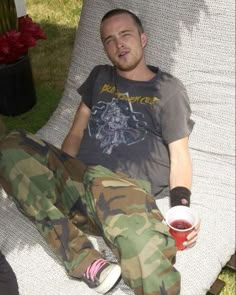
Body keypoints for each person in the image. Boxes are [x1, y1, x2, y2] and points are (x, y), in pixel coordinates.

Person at [0, 8, 200, 295]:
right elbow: (77, 130)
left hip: (124, 193)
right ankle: (87, 262)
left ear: (143, 39)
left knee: (147, 263)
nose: (118, 44)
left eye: (125, 35)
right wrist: (58, 173)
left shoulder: (168, 89)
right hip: (80, 183)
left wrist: (181, 207)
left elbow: (179, 153)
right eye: (109, 40)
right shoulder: (99, 76)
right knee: (10, 145)